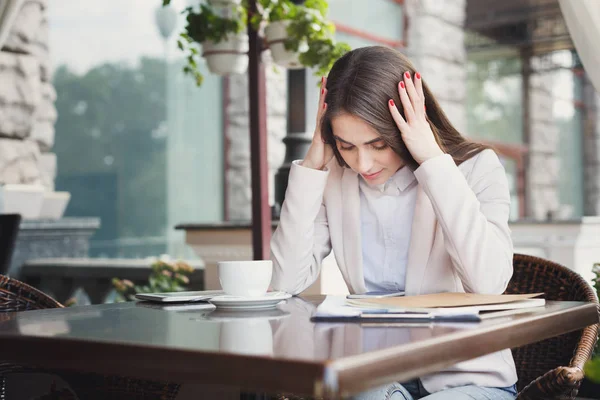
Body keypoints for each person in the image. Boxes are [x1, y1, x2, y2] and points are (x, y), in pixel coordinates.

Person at [270, 46, 518, 399]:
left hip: (467, 378)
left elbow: (489, 282)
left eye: (378, 143)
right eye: (347, 146)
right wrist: (312, 168)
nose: (363, 163)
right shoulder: (336, 179)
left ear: (407, 125)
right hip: (377, 375)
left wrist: (432, 159)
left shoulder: (477, 168)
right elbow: (285, 281)